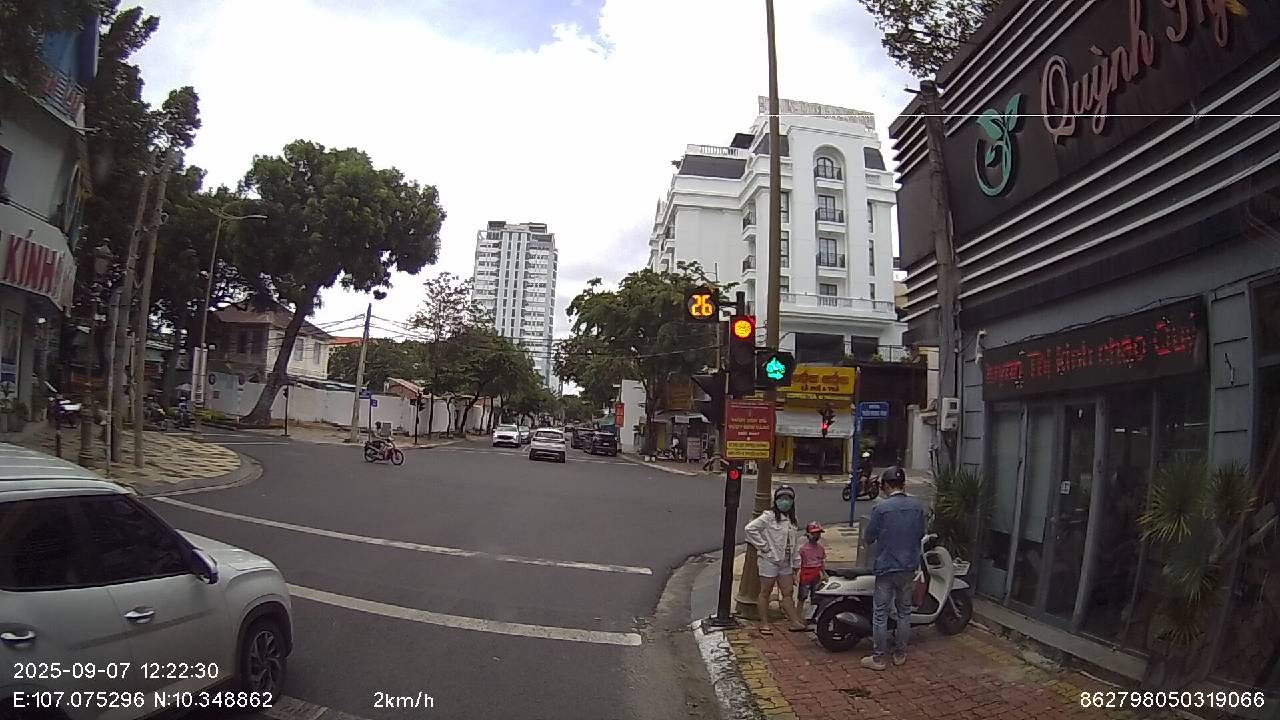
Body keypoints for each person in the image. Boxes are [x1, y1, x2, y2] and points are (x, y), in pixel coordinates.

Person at [860, 467, 925, 671]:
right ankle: (900, 653)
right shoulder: (917, 506)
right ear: (904, 484)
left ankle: (879, 658)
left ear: (886, 486)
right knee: (904, 612)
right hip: (908, 567)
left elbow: (869, 537)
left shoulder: (881, 508)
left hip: (886, 566)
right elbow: (921, 533)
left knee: (880, 613)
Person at [744, 485, 807, 636]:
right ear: (776, 500)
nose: (785, 502)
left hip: (786, 562)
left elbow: (794, 544)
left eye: (788, 499)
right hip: (769, 560)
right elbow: (750, 529)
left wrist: (796, 564)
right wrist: (764, 547)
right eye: (781, 498)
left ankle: (794, 622)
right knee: (765, 591)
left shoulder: (792, 520)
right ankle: (764, 623)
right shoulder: (769, 517)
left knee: (787, 592)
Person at [796, 521, 827, 620]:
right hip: (806, 575)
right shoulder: (802, 549)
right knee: (802, 597)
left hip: (816, 575)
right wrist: (795, 574)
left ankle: (813, 616)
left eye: (818, 533)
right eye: (814, 533)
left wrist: (824, 574)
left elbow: (821, 562)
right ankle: (798, 616)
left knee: (816, 598)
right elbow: (798, 563)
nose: (816, 536)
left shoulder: (820, 549)